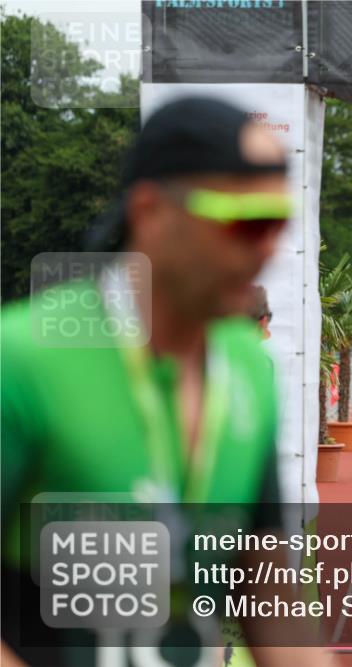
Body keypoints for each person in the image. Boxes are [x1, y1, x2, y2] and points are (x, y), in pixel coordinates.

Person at [1, 97, 333, 667]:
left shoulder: (250, 367)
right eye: (245, 222)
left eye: (278, 223)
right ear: (152, 211)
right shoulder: (24, 357)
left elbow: (267, 583)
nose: (267, 247)